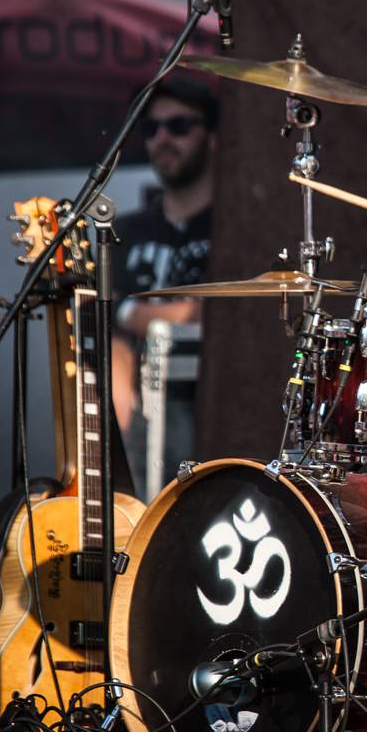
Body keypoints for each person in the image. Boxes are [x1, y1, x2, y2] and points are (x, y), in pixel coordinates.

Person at [110, 76, 218, 483]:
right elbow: (101, 327)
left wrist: (134, 312)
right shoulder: (124, 230)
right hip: (136, 424)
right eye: (151, 128)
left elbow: (224, 317)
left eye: (179, 127)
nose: (162, 139)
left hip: (209, 420)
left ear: (212, 137)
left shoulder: (233, 233)